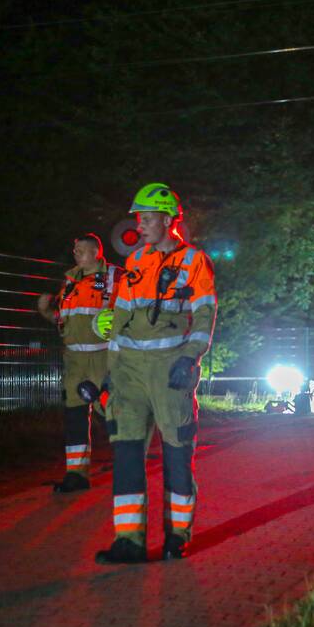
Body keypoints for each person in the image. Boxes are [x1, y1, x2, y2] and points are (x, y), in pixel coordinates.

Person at [96, 182, 217, 564]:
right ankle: (128, 542)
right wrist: (110, 372)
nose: (140, 225)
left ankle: (176, 538)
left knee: (176, 453)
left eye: (146, 219)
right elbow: (119, 318)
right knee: (127, 453)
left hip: (170, 371)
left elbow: (204, 313)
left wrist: (191, 357)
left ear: (167, 220)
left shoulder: (193, 261)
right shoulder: (135, 262)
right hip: (130, 372)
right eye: (139, 218)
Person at [37, 234, 122, 493]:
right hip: (74, 360)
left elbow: (132, 313)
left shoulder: (114, 278)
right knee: (75, 415)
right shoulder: (70, 281)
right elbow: (63, 322)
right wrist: (45, 312)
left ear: (97, 252)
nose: (77, 253)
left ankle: (128, 463)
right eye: (75, 249)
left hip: (103, 357)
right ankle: (76, 474)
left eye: (82, 249)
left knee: (111, 411)